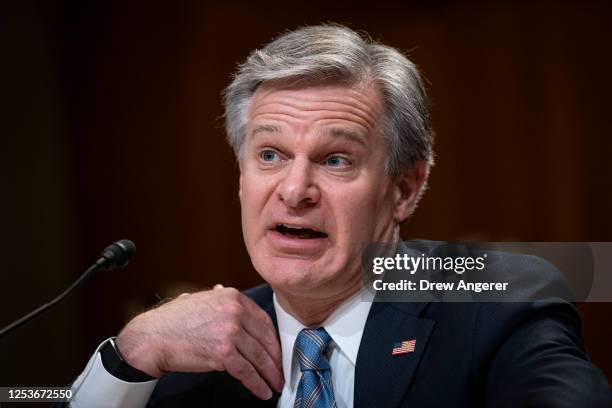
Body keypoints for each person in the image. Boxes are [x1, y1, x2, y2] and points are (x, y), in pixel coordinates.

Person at [67, 24, 611, 407]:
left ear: (404, 189)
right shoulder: (187, 352)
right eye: (270, 155)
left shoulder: (495, 297)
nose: (295, 190)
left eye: (335, 160)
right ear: (240, 177)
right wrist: (131, 353)